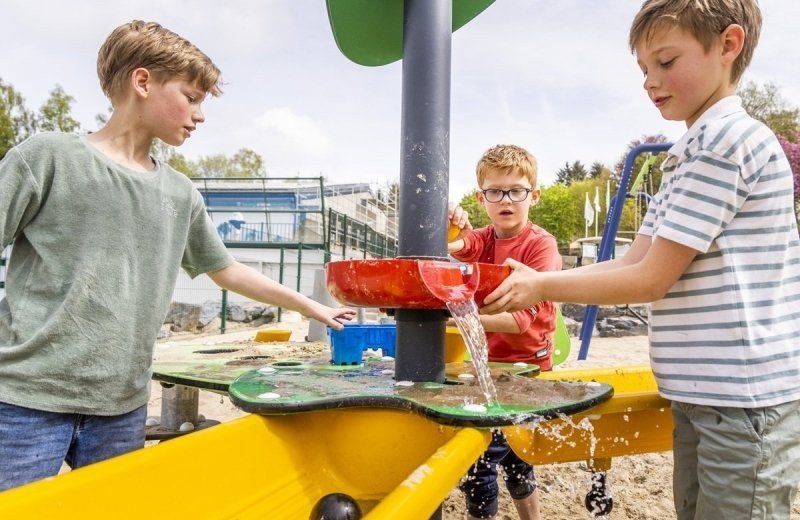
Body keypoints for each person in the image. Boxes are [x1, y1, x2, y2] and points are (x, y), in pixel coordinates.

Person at [0, 20, 355, 492]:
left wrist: (310, 305)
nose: (200, 115)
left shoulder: (179, 191)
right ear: (142, 81)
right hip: (26, 398)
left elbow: (225, 268)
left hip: (121, 406)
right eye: (191, 96)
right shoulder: (47, 157)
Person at [482, 1, 800, 518]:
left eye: (667, 62)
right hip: (707, 391)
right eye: (644, 69)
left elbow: (650, 280)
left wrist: (542, 288)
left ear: (728, 45)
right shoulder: (688, 153)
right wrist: (541, 278)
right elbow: (635, 258)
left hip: (745, 395)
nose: (651, 81)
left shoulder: (726, 142)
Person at [448, 144, 562, 520]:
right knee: (514, 457)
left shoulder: (540, 246)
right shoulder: (483, 239)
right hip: (485, 364)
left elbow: (521, 320)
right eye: (495, 192)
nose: (506, 199)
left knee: (479, 460)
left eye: (517, 190)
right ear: (482, 198)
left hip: (526, 367)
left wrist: (457, 319)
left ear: (535, 195)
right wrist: (449, 221)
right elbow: (459, 245)